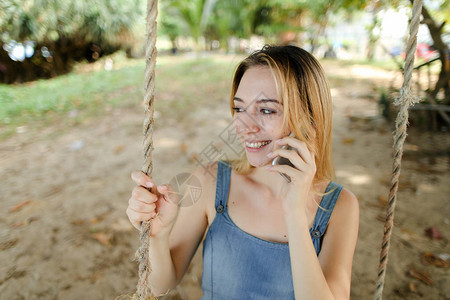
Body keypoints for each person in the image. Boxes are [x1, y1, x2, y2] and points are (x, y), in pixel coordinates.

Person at [126, 44, 359, 300]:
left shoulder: (340, 207)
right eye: (239, 108)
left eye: (266, 110)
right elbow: (160, 286)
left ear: (311, 120)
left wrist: (294, 213)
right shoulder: (212, 180)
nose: (243, 126)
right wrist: (158, 237)